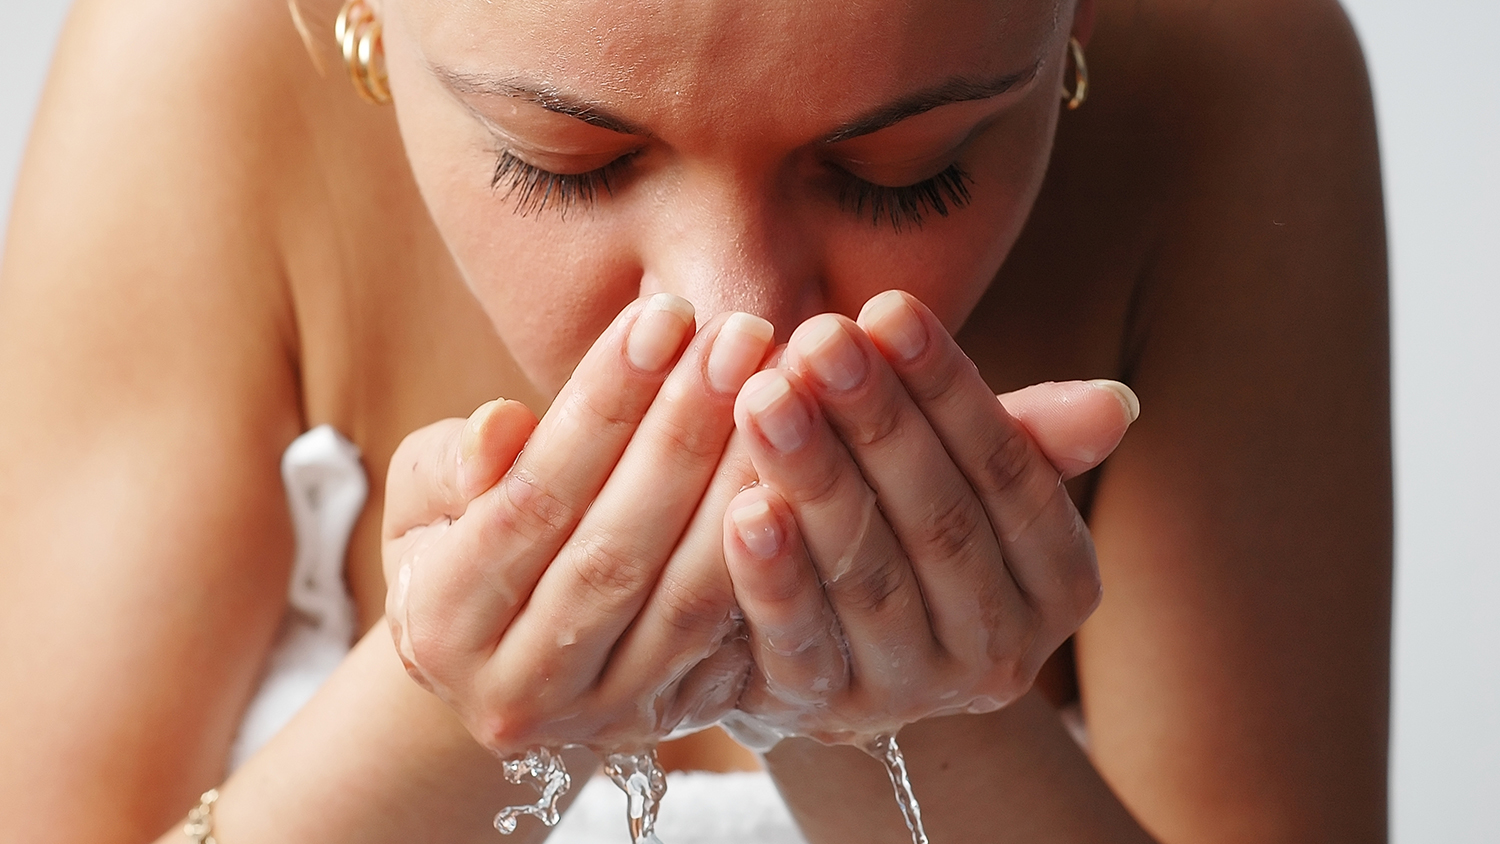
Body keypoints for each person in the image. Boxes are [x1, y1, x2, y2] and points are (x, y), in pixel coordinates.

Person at [0, 0, 1392, 840]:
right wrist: (448, 716)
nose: (742, 333)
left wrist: (914, 722)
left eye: (905, 171)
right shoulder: (193, 66)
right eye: (567, 163)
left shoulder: (1231, 79)